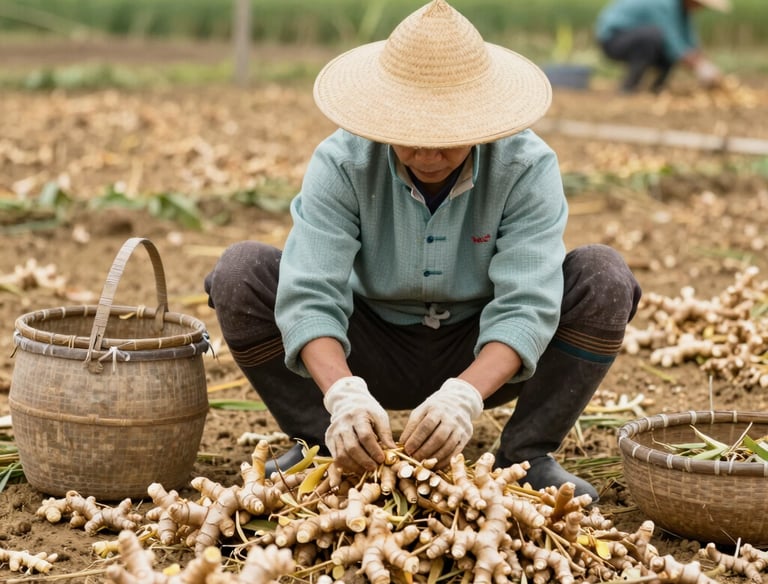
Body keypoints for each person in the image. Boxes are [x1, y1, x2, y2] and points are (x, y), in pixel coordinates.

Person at [204, 0, 641, 501]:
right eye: (410, 137)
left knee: (603, 277)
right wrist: (343, 395)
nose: (428, 155)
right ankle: (321, 441)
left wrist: (466, 395)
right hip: (367, 343)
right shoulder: (343, 161)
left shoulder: (525, 166)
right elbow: (310, 294)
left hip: (478, 341)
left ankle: (526, 454)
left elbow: (527, 303)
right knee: (241, 272)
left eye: (447, 140)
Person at [595, 0, 730, 94]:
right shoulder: (664, 4)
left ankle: (657, 88)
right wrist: (699, 67)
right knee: (654, 37)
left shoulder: (683, 10)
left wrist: (704, 63)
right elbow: (674, 43)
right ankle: (628, 87)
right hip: (613, 40)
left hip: (635, 38)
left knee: (663, 45)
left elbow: (690, 43)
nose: (700, 9)